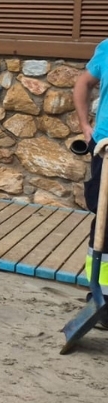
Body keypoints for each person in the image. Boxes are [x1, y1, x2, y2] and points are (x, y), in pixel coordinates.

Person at [73, 43, 108, 312]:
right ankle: (101, 293)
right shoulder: (107, 48)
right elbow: (83, 84)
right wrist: (86, 127)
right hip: (105, 147)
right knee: (105, 220)